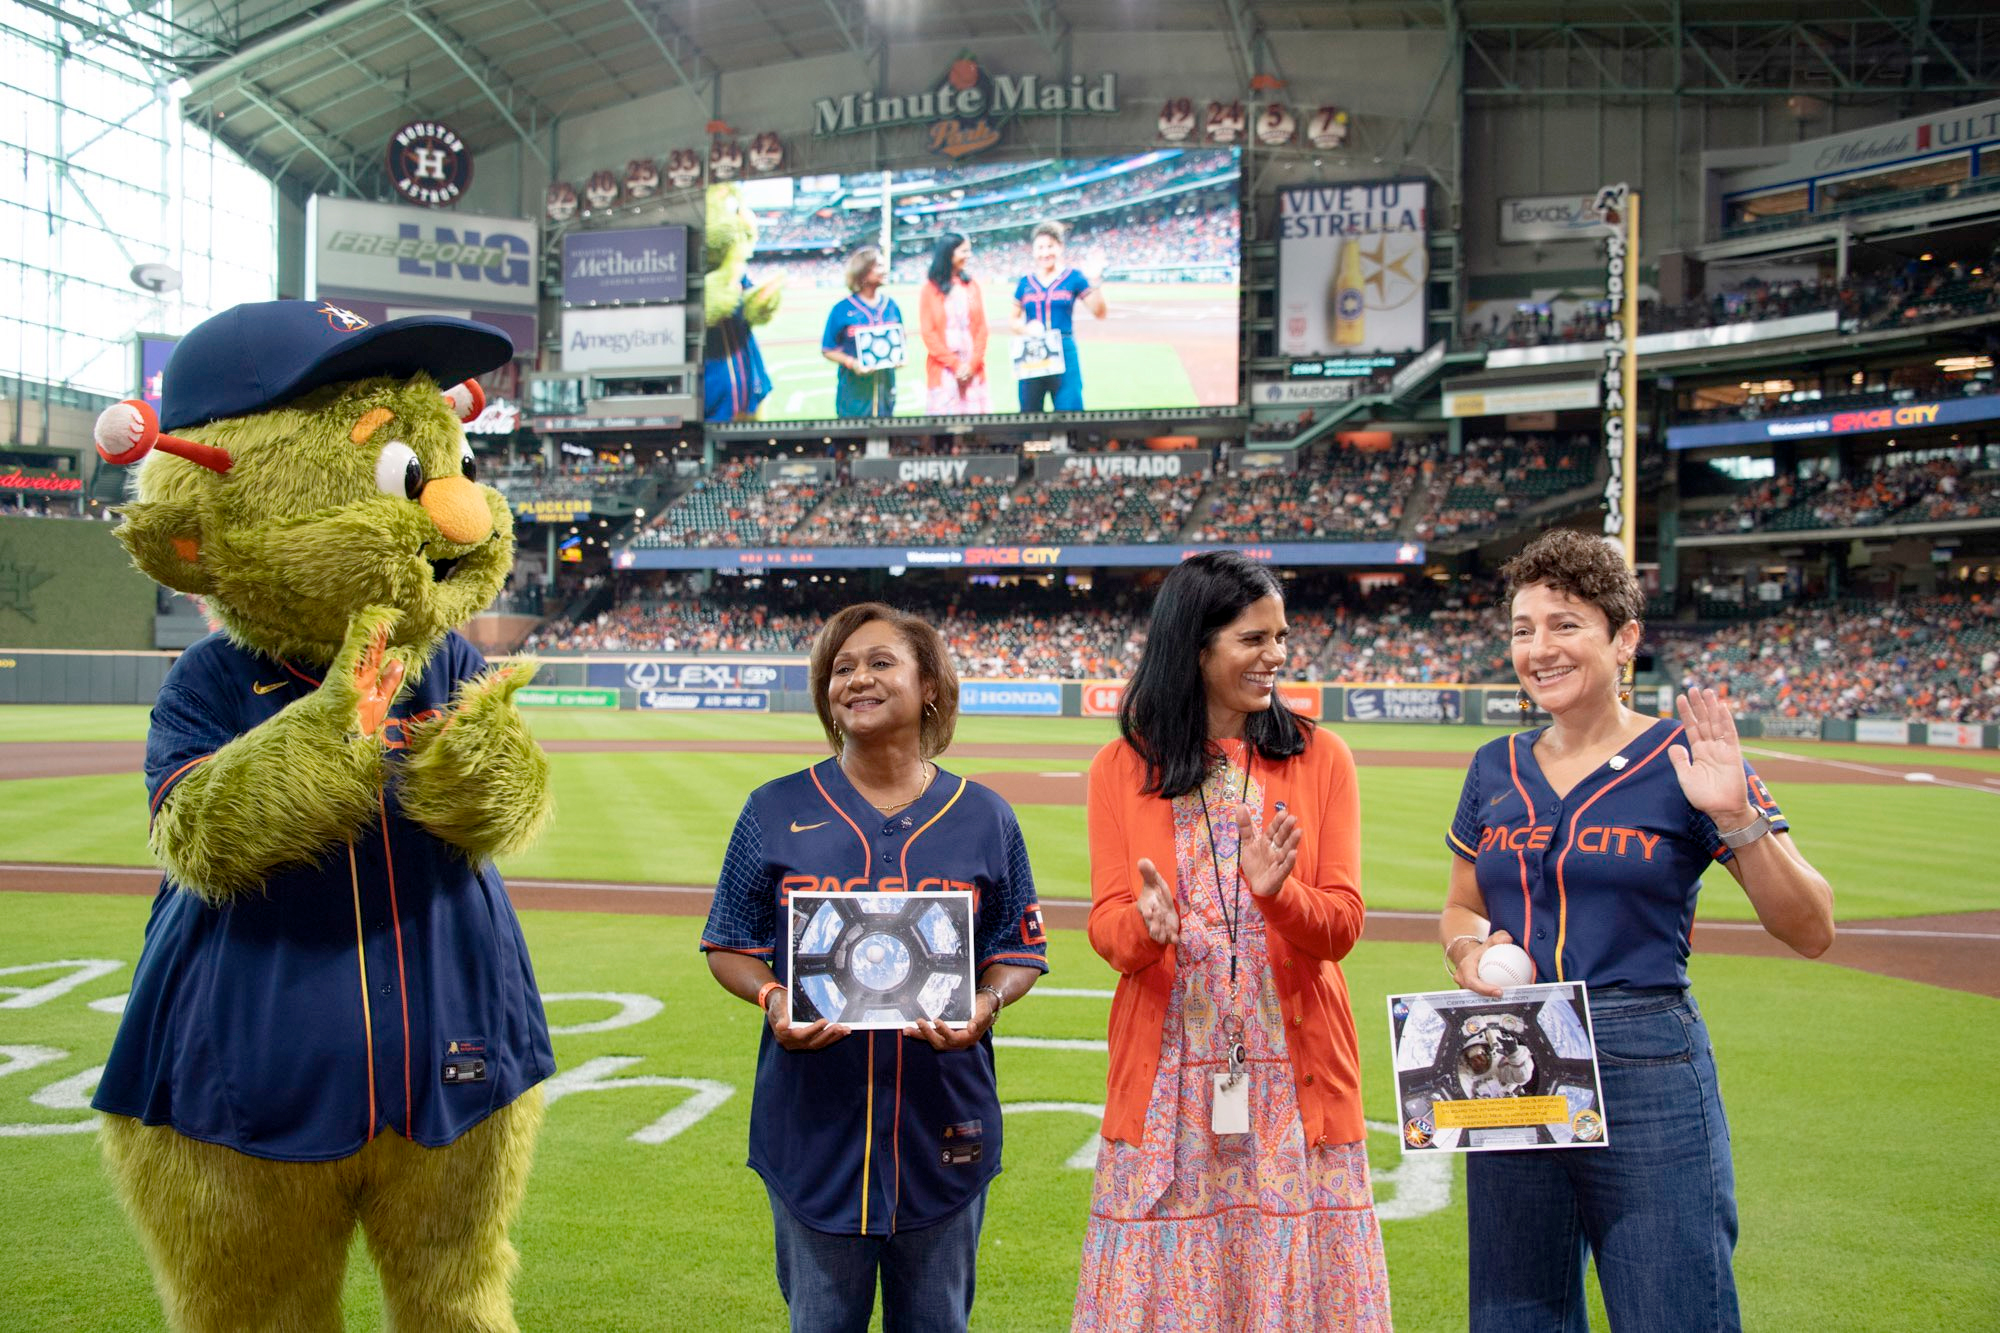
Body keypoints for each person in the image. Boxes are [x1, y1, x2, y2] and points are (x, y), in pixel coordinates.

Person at [1440, 528, 1836, 1333]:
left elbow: (1811, 927)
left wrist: (1738, 816)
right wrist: (1468, 950)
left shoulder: (1687, 756)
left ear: (1625, 639)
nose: (1538, 647)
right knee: (1517, 1315)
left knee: (1671, 1306)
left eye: (1565, 623)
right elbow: (1461, 904)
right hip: (1512, 1052)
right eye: (1522, 628)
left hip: (1644, 1052)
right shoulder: (1493, 765)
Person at [700, 602, 1047, 1333]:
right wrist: (770, 996)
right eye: (841, 668)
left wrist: (986, 1001)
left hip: (944, 1125)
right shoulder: (774, 808)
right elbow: (730, 941)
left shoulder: (985, 815)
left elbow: (1020, 948)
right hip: (815, 1130)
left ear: (930, 687)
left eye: (880, 661)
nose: (855, 678)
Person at [1072, 551, 1392, 1331]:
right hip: (1171, 1086)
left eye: (1281, 636)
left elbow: (1342, 925)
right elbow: (1110, 929)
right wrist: (1145, 930)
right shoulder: (1121, 766)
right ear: (1196, 644)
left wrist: (1280, 895)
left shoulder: (1321, 758)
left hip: (1294, 1085)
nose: (1276, 656)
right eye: (1253, 638)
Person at [1011, 220, 1107, 413]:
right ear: (1033, 250)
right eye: (1040, 247)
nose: (1045, 253)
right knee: (1029, 414)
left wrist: (1095, 280)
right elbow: (1013, 319)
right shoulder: (1025, 282)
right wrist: (1025, 328)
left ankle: (1069, 445)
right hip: (1032, 350)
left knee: (1069, 409)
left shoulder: (1074, 277)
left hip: (1064, 349)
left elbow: (1099, 312)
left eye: (1050, 246)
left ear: (1060, 247)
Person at [821, 245, 904, 419]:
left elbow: (901, 341)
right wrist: (852, 363)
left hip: (885, 390)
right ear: (864, 272)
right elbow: (828, 349)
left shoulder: (891, 306)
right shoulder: (841, 309)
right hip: (854, 394)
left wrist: (898, 357)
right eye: (879, 266)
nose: (885, 270)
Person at [918, 232, 990, 416]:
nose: (968, 256)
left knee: (976, 433)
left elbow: (981, 328)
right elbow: (929, 334)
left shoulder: (971, 285)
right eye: (963, 251)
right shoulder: (930, 289)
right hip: (944, 371)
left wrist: (972, 365)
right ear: (949, 253)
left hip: (973, 370)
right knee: (945, 433)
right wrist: (955, 365)